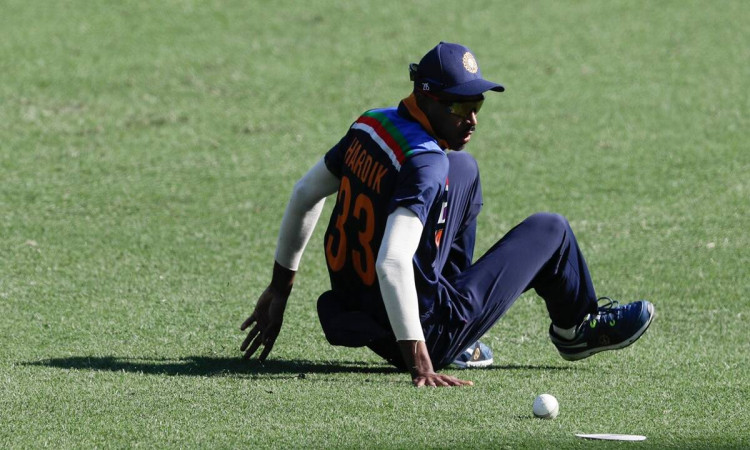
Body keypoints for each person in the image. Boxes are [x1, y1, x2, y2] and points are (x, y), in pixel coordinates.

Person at [240, 42, 654, 387]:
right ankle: (576, 329)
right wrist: (421, 360)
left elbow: (304, 193)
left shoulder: (371, 124)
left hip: (356, 315)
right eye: (458, 108)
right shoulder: (426, 164)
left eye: (477, 106)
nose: (471, 119)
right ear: (426, 97)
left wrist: (280, 289)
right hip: (420, 333)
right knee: (552, 230)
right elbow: (391, 262)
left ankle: (456, 333)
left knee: (465, 168)